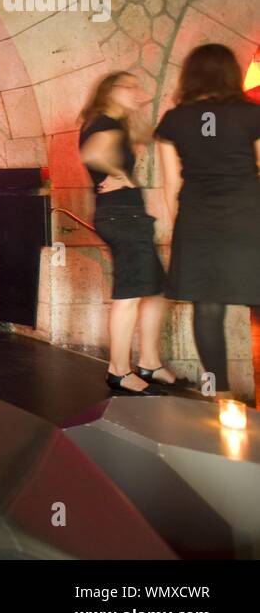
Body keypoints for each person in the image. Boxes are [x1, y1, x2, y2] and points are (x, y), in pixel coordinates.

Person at [155, 44, 260, 401]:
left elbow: (171, 185)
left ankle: (220, 395)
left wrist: (180, 228)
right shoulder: (252, 114)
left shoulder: (174, 120)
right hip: (248, 216)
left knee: (207, 307)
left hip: (198, 220)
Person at [78, 71, 170, 395]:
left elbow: (147, 136)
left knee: (156, 288)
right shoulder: (104, 122)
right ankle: (118, 370)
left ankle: (150, 362)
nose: (136, 91)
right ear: (109, 91)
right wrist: (123, 176)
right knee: (130, 293)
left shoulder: (115, 123)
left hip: (128, 215)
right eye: (128, 87)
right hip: (121, 216)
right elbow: (91, 154)